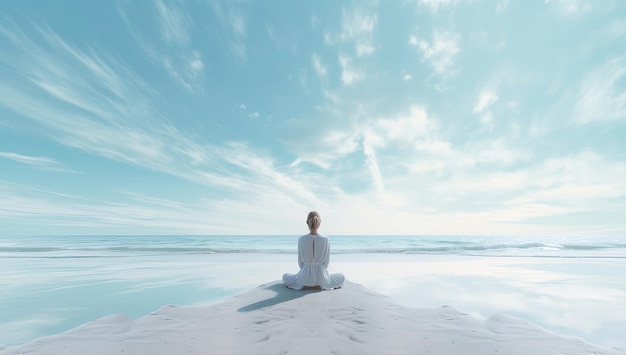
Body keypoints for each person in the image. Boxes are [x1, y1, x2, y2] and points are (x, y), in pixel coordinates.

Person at [283, 211, 345, 290]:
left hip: (304, 277)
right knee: (341, 277)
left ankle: (306, 285)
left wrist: (307, 269)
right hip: (321, 277)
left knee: (285, 276)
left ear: (307, 223)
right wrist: (320, 271)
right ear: (319, 223)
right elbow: (326, 263)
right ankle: (319, 285)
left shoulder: (301, 239)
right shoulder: (326, 239)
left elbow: (300, 263)